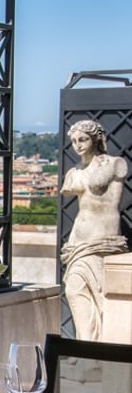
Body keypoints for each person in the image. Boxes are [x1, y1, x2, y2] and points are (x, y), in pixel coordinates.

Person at [59, 119, 128, 340]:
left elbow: (112, 207)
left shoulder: (115, 164)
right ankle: (84, 347)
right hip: (78, 241)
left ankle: (100, 351)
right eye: (74, 141)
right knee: (74, 290)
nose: (78, 145)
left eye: (83, 139)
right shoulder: (74, 171)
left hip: (102, 239)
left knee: (102, 297)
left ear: (95, 139)